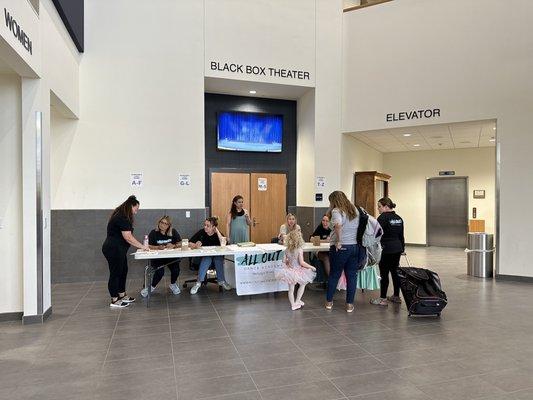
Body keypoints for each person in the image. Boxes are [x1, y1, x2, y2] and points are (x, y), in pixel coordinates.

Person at [102, 195, 148, 308]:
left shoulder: (123, 216)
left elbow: (128, 236)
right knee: (115, 273)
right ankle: (114, 299)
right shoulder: (121, 217)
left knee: (123, 271)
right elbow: (128, 237)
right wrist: (142, 246)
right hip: (113, 249)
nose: (136, 212)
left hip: (119, 249)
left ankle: (122, 295)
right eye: (136, 209)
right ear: (131, 206)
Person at [325, 191, 366, 313]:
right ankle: (349, 305)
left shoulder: (337, 211)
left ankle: (329, 302)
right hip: (354, 247)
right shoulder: (355, 210)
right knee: (352, 276)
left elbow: (337, 225)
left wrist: (338, 241)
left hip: (341, 247)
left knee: (334, 274)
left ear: (334, 200)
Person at [370, 197, 405, 306]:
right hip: (397, 248)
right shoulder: (399, 218)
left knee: (384, 273)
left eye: (379, 206)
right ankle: (396, 296)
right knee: (395, 272)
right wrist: (402, 249)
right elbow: (401, 236)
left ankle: (383, 299)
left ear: (385, 206)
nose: (378, 208)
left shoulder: (382, 218)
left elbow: (376, 234)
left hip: (386, 249)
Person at [140, 216, 182, 297]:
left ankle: (173, 284)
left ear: (169, 225)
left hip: (170, 257)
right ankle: (151, 287)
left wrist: (173, 245)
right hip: (158, 257)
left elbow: (180, 242)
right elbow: (148, 245)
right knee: (160, 271)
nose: (163, 225)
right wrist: (157, 247)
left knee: (176, 269)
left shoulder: (173, 231)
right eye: (161, 222)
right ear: (159, 223)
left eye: (165, 224)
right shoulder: (153, 232)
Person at [274, 230, 316, 310]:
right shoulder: (299, 250)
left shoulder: (287, 249)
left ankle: (293, 304)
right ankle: (297, 300)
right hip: (298, 270)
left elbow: (283, 261)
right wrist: (311, 267)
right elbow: (302, 263)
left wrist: (288, 262)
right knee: (303, 284)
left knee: (291, 289)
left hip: (290, 271)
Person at [189, 217, 232, 294]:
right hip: (202, 259)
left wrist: (217, 232)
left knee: (218, 258)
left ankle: (221, 281)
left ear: (213, 227)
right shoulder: (201, 232)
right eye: (204, 225)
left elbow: (224, 244)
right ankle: (198, 283)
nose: (205, 227)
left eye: (208, 226)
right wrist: (195, 245)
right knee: (207, 258)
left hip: (215, 260)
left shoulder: (217, 234)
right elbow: (189, 243)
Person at [310, 214, 332, 279]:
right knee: (326, 258)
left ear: (330, 222)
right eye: (323, 220)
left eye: (327, 221)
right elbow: (311, 239)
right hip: (319, 250)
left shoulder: (332, 230)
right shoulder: (319, 228)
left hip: (329, 250)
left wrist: (320, 240)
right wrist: (325, 241)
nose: (324, 223)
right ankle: (331, 279)